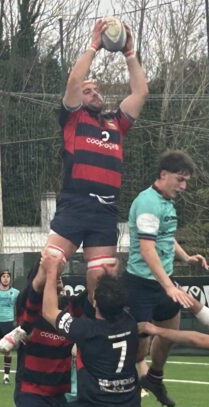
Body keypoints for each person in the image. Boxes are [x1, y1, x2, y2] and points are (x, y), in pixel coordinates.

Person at [43, 17, 148, 298]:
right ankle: (31, 327)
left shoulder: (116, 124)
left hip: (105, 211)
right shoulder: (73, 118)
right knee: (49, 266)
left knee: (101, 280)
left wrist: (129, 53)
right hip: (75, 206)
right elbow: (74, 80)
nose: (93, 93)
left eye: (96, 90)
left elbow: (140, 92)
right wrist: (94, 45)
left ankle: (92, 336)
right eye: (87, 91)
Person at [39, 257, 150, 407]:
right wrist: (111, 276)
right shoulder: (130, 323)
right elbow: (141, 354)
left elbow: (49, 311)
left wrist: (51, 270)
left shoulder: (85, 330)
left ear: (95, 301)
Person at [126, 150, 209, 407]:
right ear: (163, 175)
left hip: (163, 282)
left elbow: (165, 238)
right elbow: (147, 249)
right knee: (138, 351)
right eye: (180, 180)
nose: (183, 187)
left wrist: (186, 257)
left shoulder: (167, 202)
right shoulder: (147, 203)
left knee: (170, 334)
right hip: (140, 285)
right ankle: (120, 388)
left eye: (186, 181)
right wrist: (168, 286)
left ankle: (154, 377)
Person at [11, 262, 86, 407]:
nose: (57, 275)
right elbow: (35, 288)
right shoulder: (27, 304)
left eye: (59, 273)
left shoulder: (71, 306)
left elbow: (93, 297)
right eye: (51, 273)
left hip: (59, 394)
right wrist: (48, 266)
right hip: (31, 390)